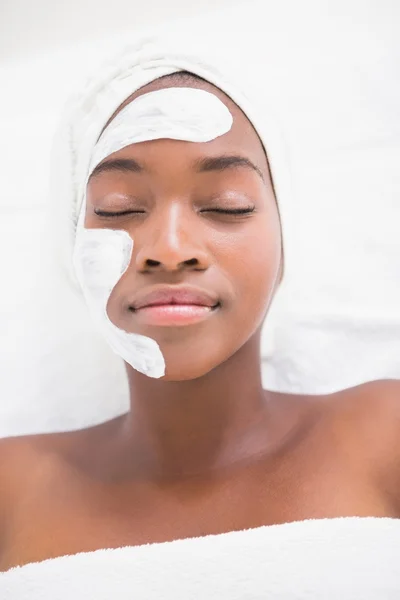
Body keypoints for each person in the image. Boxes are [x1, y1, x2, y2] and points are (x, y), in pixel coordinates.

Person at [0, 69, 399, 576]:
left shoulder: (387, 435)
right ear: (71, 247)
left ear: (284, 241)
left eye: (225, 206)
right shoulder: (11, 489)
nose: (170, 249)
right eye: (116, 208)